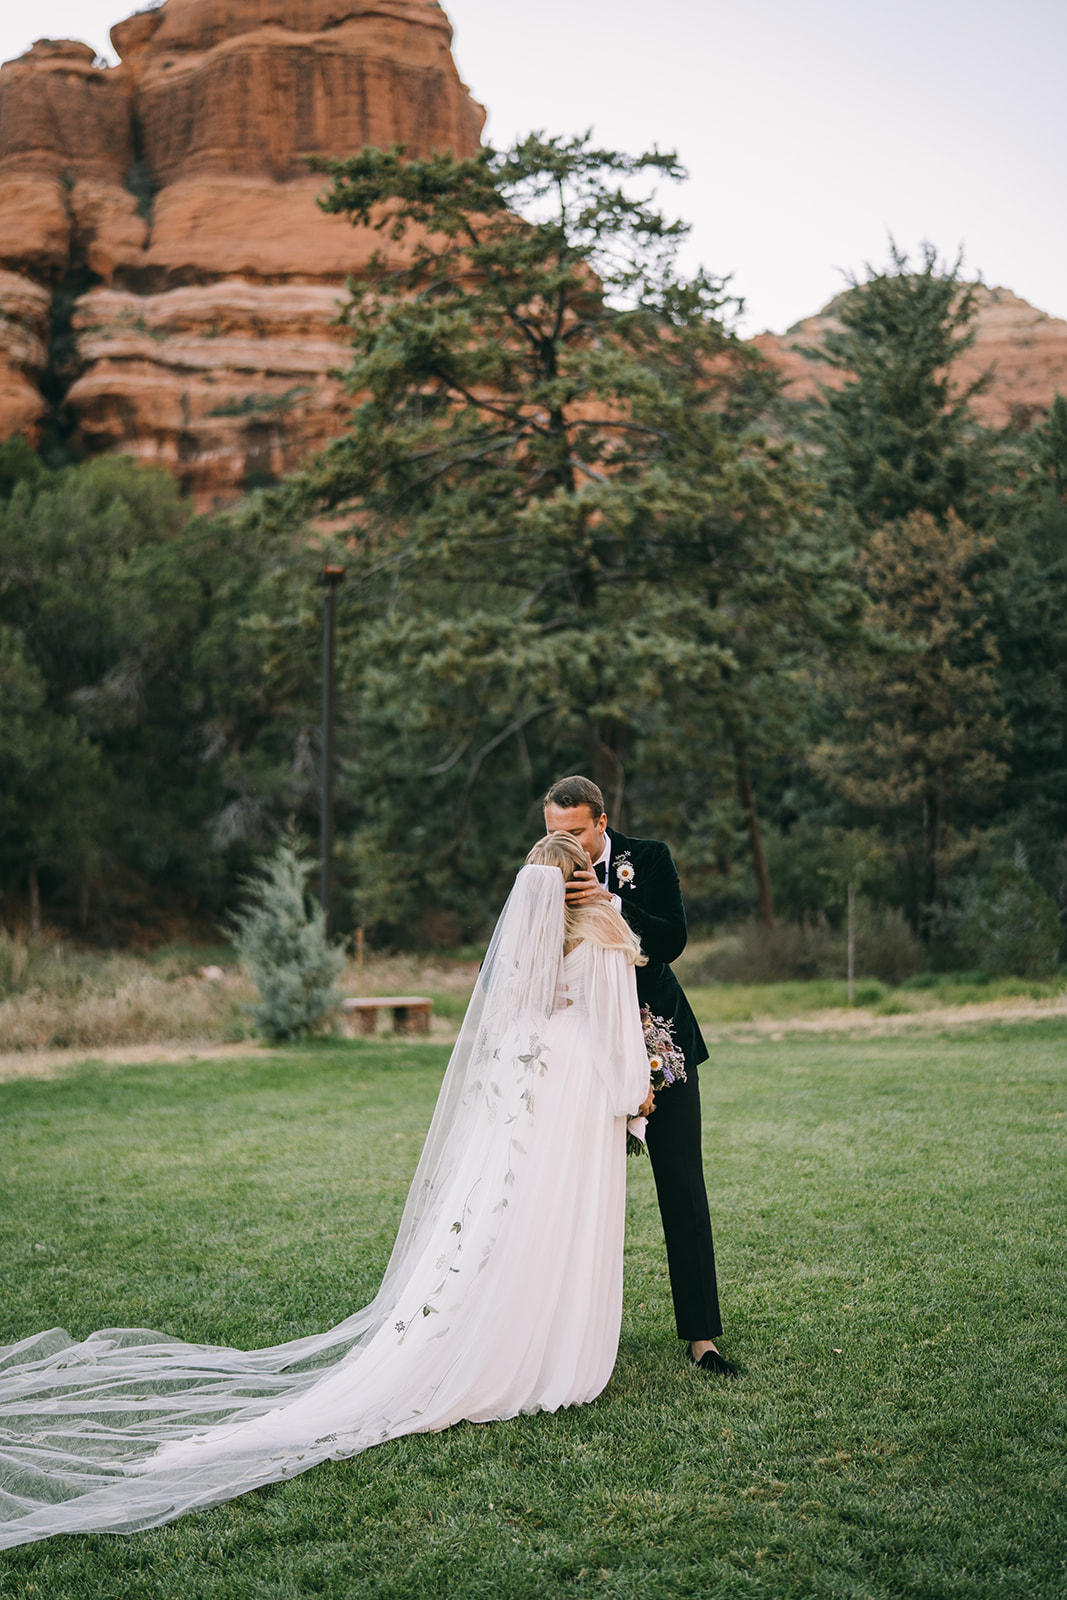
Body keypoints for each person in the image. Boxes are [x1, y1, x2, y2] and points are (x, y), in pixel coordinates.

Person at [0, 836, 652, 1550]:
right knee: (560, 1222)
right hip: (576, 1093)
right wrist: (635, 1099)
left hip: (525, 1096)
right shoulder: (604, 934)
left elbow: (511, 1018)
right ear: (585, 880)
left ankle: (502, 1332)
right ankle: (547, 1346)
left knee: (513, 1217)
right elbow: (619, 1040)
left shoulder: (528, 940)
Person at [542, 775, 736, 1377]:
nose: (565, 844)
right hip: (585, 1060)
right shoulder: (542, 871)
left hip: (661, 1045)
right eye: (553, 833)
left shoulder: (648, 859)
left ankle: (702, 1338)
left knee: (682, 1186)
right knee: (569, 1195)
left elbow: (673, 938)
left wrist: (611, 904)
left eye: (574, 832)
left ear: (601, 822)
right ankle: (560, 1334)